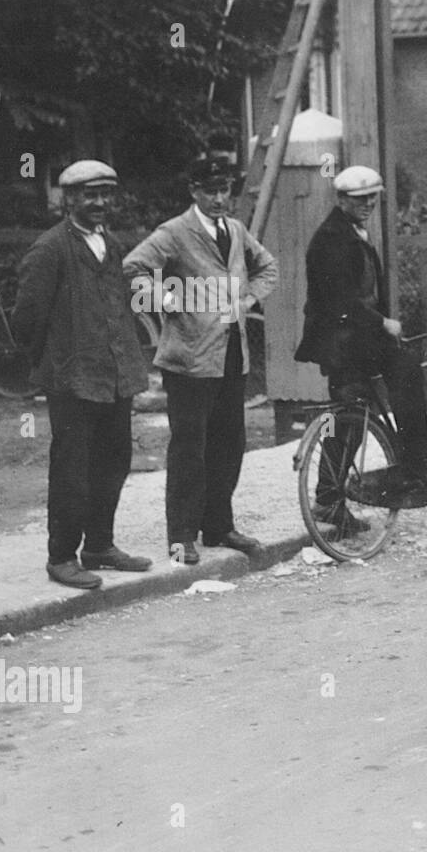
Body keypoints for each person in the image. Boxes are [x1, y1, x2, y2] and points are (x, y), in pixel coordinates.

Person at [123, 156, 279, 565]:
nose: (219, 198)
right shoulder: (175, 232)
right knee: (190, 448)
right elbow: (133, 268)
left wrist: (248, 298)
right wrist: (169, 300)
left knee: (230, 444)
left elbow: (268, 266)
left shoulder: (237, 229)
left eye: (225, 189)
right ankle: (181, 537)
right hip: (189, 360)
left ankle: (219, 526)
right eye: (210, 190)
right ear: (194, 191)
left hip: (231, 356)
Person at [10, 160, 152, 589]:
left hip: (115, 376)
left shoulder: (110, 243)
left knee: (113, 462)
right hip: (72, 380)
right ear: (69, 199)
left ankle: (99, 546)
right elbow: (26, 319)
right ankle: (62, 557)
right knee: (72, 468)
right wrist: (54, 361)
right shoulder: (50, 248)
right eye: (90, 195)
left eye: (106, 194)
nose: (99, 203)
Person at [294, 165, 427, 519]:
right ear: (341, 200)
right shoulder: (332, 239)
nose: (368, 203)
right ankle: (417, 461)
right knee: (404, 367)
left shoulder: (352, 231)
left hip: (354, 338)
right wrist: (383, 322)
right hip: (344, 341)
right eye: (359, 199)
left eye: (372, 197)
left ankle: (328, 500)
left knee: (352, 419)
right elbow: (339, 299)